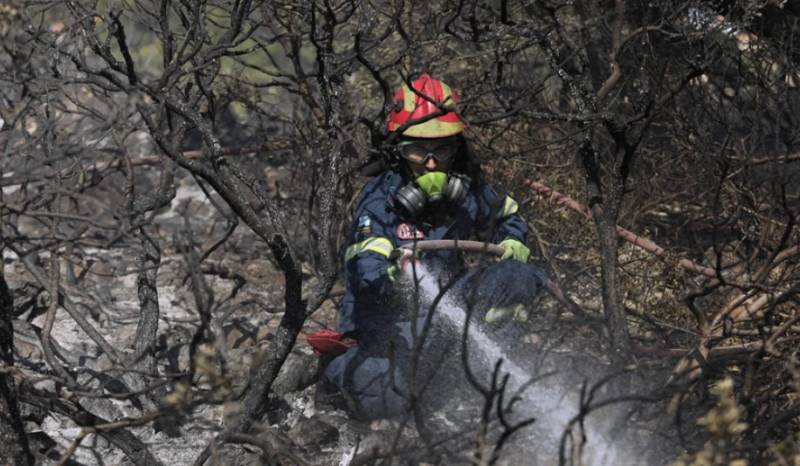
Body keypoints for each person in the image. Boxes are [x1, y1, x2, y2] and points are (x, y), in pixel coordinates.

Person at [317, 73, 536, 420]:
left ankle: (486, 385)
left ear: (456, 148)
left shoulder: (467, 192)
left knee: (519, 278)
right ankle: (335, 372)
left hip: (446, 318)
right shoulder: (378, 204)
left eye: (442, 149)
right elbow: (366, 276)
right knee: (385, 398)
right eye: (418, 150)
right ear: (398, 150)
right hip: (388, 329)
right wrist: (391, 271)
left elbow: (508, 217)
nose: (431, 162)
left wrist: (512, 240)